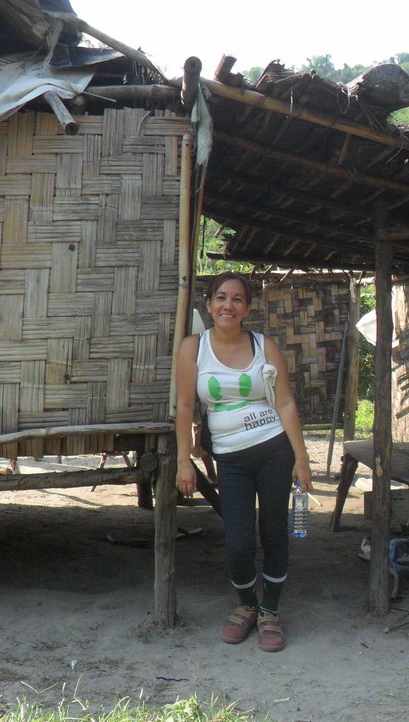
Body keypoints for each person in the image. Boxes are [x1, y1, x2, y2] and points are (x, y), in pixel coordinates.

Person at [175, 272, 312, 652]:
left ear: (247, 308)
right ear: (209, 304)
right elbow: (184, 405)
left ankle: (270, 611)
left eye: (237, 299)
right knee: (238, 540)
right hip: (230, 460)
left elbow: (285, 403)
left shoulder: (264, 346)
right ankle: (247, 606)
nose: (228, 305)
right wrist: (184, 460)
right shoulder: (193, 348)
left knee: (274, 531)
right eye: (221, 297)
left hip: (274, 451)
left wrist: (301, 459)